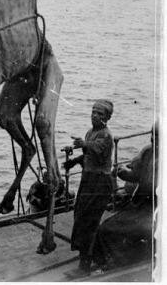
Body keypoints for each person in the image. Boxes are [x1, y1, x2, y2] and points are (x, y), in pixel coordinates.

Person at [92, 121, 159, 270]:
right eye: (153, 135)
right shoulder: (148, 152)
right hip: (139, 205)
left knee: (119, 230)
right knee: (105, 228)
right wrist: (122, 173)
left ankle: (119, 261)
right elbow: (135, 176)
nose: (154, 140)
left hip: (157, 210)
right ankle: (111, 259)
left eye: (159, 137)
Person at [62, 99, 114, 276]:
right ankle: (96, 258)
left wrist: (83, 145)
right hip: (88, 180)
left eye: (99, 114)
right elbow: (87, 157)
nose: (95, 116)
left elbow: (98, 152)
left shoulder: (106, 135)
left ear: (107, 117)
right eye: (93, 112)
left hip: (100, 183)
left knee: (88, 222)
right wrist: (73, 162)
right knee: (80, 217)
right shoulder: (90, 133)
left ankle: (84, 267)